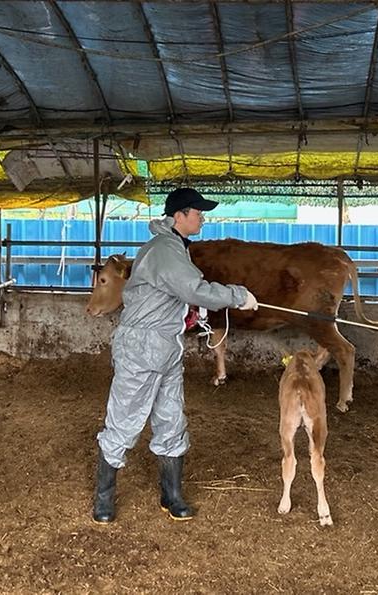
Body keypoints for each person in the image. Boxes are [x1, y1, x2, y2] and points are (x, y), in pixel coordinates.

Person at [92, 187, 258, 524]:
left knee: (171, 420)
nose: (202, 217)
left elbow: (179, 296)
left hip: (165, 346)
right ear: (179, 215)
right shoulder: (165, 250)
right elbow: (193, 288)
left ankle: (172, 495)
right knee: (124, 420)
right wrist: (238, 296)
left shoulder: (174, 248)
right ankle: (104, 499)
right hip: (142, 348)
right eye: (198, 212)